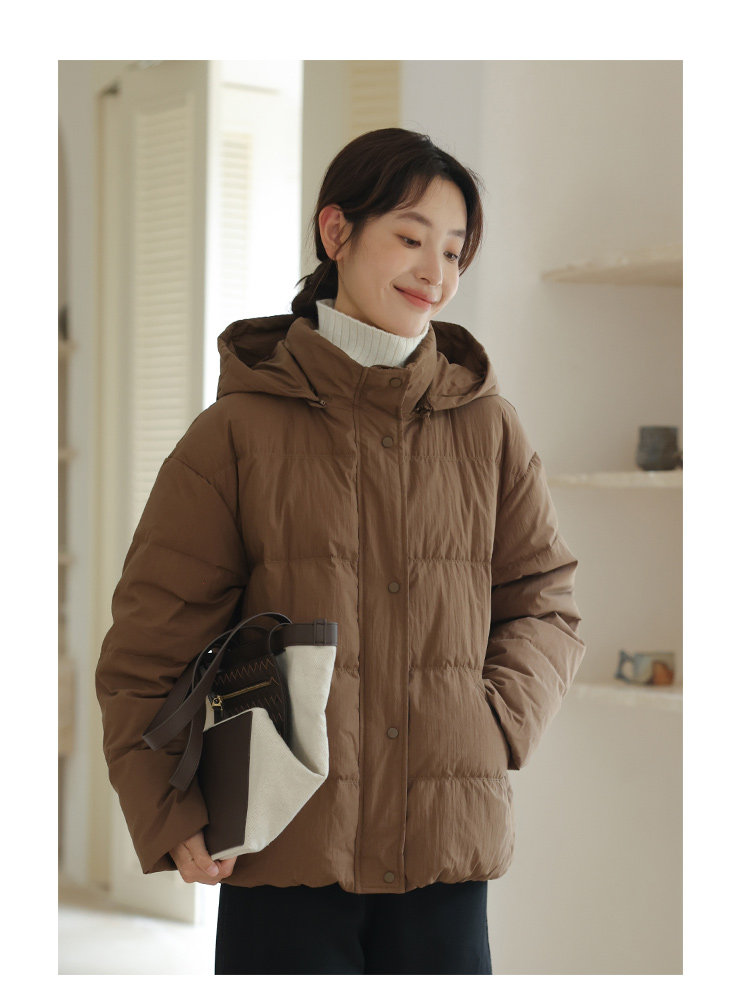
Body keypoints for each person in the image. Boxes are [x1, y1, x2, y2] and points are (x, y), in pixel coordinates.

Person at [95, 127, 586, 975]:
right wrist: (166, 808)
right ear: (337, 232)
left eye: (454, 250)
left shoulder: (488, 428)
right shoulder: (236, 434)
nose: (435, 272)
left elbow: (546, 600)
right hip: (286, 852)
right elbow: (150, 639)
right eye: (410, 237)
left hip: (444, 858)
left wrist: (493, 721)